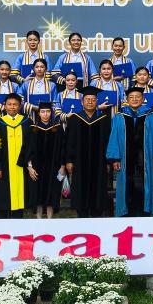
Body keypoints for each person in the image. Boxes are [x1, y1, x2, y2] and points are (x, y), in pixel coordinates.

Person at [107, 86, 153, 217]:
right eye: (131, 97)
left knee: (144, 187)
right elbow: (114, 137)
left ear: (143, 99)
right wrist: (115, 158)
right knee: (126, 187)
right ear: (127, 100)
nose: (134, 99)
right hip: (125, 160)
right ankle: (126, 213)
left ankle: (144, 213)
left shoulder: (151, 115)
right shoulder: (120, 116)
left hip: (145, 160)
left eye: (137, 97)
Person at [64, 86, 112, 217]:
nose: (90, 102)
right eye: (87, 99)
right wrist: (69, 160)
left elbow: (108, 142)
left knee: (98, 188)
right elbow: (69, 141)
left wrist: (108, 162)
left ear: (97, 101)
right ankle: (82, 215)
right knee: (80, 188)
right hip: (80, 162)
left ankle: (97, 214)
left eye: (93, 99)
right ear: (82, 102)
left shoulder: (104, 119)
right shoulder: (74, 119)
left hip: (99, 163)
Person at [0, 94, 32, 219]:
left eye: (15, 104)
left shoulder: (27, 122)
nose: (12, 107)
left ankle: (18, 221)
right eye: (9, 104)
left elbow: (30, 145)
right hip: (4, 165)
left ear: (19, 106)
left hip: (21, 165)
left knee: (20, 194)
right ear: (5, 106)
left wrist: (29, 164)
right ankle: (2, 222)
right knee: (4, 194)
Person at [25, 102, 64, 219]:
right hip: (37, 168)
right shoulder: (33, 129)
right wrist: (29, 167)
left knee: (51, 194)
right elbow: (27, 149)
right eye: (42, 112)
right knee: (38, 194)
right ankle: (39, 220)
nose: (45, 114)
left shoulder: (57, 129)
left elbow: (63, 148)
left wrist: (62, 166)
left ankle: (49, 219)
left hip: (53, 167)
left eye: (47, 112)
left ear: (51, 113)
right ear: (39, 113)